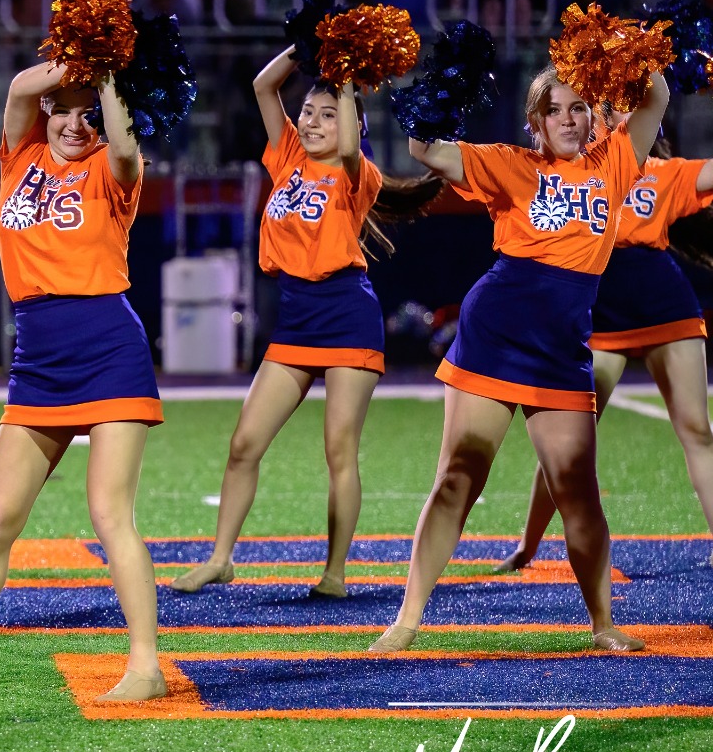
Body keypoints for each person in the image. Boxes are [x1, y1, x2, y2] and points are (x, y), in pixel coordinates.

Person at [379, 60, 669, 654]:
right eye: (554, 109)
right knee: (459, 475)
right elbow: (425, 149)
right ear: (536, 122)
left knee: (577, 490)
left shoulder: (613, 161)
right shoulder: (512, 164)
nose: (568, 119)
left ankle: (603, 624)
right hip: (496, 333)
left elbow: (657, 93)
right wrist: (436, 98)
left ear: (593, 118)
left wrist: (616, 51)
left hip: (561, 349)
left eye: (578, 108)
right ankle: (406, 621)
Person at [0, 62, 165, 700]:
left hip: (109, 347)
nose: (72, 123)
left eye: (89, 113)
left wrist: (109, 75)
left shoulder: (115, 171)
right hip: (38, 358)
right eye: (62, 109)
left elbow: (121, 137)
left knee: (110, 513)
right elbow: (14, 89)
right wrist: (82, 51)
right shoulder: (19, 157)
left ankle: (145, 666)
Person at [173, 49, 382, 597]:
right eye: (308, 112)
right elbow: (265, 85)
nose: (311, 122)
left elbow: (354, 144)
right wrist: (306, 46)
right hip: (294, 318)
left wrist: (347, 73)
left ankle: (334, 572)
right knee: (245, 443)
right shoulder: (288, 156)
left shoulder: (362, 173)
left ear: (353, 124)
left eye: (327, 114)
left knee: (339, 447)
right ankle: (220, 559)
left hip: (347, 314)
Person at [499, 122, 713, 571]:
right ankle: (528, 545)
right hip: (601, 309)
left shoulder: (664, 171)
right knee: (567, 441)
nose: (621, 118)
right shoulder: (581, 171)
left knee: (697, 430)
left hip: (665, 303)